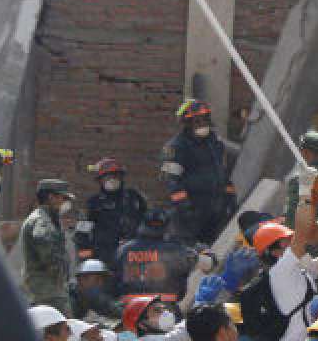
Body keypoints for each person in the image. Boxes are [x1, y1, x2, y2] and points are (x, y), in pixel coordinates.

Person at [238, 168, 318, 341]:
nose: (291, 242)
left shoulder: (296, 270)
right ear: (273, 252)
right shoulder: (281, 272)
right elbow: (302, 234)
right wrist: (304, 192)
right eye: (286, 240)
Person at [162, 99, 237, 245]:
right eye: (197, 121)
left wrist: (230, 199)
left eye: (204, 120)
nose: (202, 124)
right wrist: (185, 207)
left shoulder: (215, 144)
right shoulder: (176, 148)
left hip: (215, 211)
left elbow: (222, 174)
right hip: (190, 214)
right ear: (187, 124)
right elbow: (171, 181)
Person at [114, 208, 209, 306]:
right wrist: (204, 252)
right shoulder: (178, 251)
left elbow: (114, 282)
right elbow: (208, 264)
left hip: (130, 311)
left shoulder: (123, 250)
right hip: (165, 310)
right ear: (168, 226)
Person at [78, 158, 148, 267]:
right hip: (104, 256)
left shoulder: (134, 198)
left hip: (133, 256)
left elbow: (147, 222)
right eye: (107, 177)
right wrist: (87, 260)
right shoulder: (93, 204)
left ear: (121, 177)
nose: (112, 179)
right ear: (100, 180)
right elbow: (82, 233)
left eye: (115, 176)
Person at [22, 178, 75, 313]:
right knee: (60, 331)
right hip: (47, 294)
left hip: (48, 291)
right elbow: (46, 246)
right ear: (51, 197)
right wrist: (59, 272)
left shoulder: (48, 219)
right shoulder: (42, 221)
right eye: (62, 198)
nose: (64, 203)